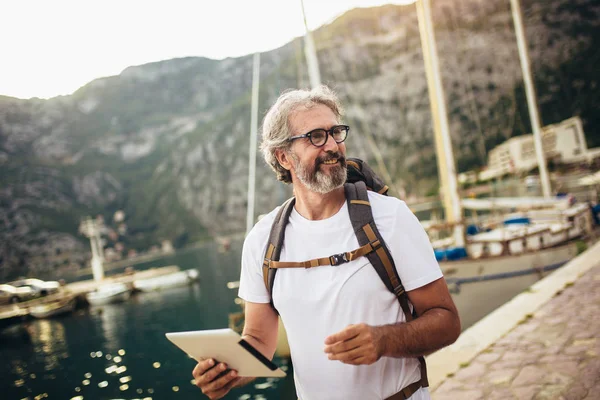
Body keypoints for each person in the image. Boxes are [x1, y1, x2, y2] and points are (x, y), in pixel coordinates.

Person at [192, 85, 461, 400]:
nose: (333, 145)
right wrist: (228, 373)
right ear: (283, 156)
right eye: (316, 136)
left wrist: (384, 340)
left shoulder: (390, 217)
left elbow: (447, 321)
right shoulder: (262, 240)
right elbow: (258, 341)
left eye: (336, 132)